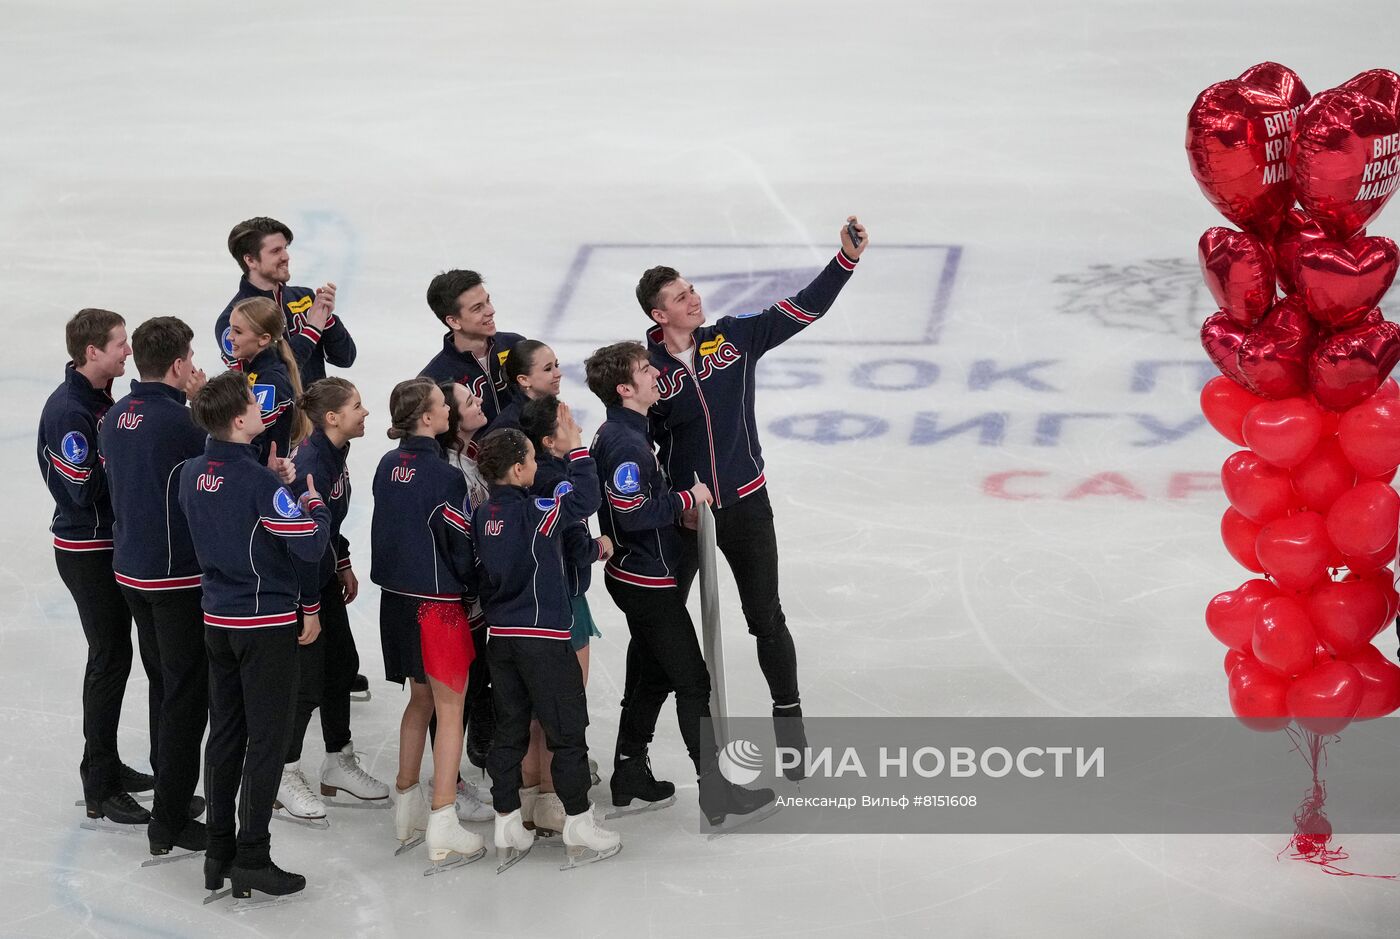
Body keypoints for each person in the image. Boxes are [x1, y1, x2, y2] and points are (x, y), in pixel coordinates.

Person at [638, 217, 868, 778]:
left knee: (766, 617)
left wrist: (845, 259)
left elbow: (802, 309)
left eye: (691, 290)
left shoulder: (733, 338)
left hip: (745, 504)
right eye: (679, 297)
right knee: (659, 629)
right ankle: (631, 752)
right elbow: (629, 440)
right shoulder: (643, 372)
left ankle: (790, 729)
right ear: (657, 315)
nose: (693, 299)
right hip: (684, 516)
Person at [584, 341, 774, 824]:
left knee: (655, 673)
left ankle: (629, 771)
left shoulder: (628, 431)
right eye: (646, 370)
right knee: (694, 681)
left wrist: (675, 512)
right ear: (625, 388)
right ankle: (716, 792)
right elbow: (630, 514)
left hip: (642, 575)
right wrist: (685, 501)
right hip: (644, 582)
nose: (655, 375)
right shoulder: (626, 441)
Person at [180, 371, 330, 902]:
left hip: (217, 619)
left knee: (224, 734)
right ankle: (252, 857)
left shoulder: (192, 473)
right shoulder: (259, 483)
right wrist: (307, 500)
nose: (260, 405)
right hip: (263, 624)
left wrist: (268, 481)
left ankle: (218, 852)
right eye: (252, 402)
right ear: (240, 419)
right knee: (266, 740)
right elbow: (310, 546)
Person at [466, 426, 621, 870]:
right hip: (545, 640)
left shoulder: (481, 514)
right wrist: (575, 449)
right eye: (532, 458)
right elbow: (586, 499)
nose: (536, 464)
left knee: (510, 731)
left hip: (503, 640)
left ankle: (507, 820)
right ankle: (577, 822)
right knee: (567, 733)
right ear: (518, 470)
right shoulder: (538, 511)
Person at [38, 308, 158, 827]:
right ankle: (100, 783)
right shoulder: (70, 412)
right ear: (92, 352)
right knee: (108, 658)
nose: (127, 351)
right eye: (119, 344)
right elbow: (81, 489)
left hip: (106, 544)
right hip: (87, 549)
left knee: (115, 655)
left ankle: (104, 763)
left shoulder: (98, 400)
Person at [99, 316, 210, 856]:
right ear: (178, 364)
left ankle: (169, 788)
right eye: (189, 358)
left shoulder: (116, 415)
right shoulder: (181, 425)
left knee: (164, 682)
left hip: (130, 571)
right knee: (187, 694)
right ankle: (169, 818)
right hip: (173, 577)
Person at [370, 379, 486, 869]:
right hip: (436, 607)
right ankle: (442, 819)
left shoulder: (385, 464)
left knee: (419, 701)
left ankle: (406, 806)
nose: (447, 412)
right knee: (450, 707)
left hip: (394, 603)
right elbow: (458, 542)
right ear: (425, 417)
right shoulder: (443, 475)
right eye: (442, 406)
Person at [275, 378, 389, 824]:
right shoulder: (312, 463)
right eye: (357, 406)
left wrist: (341, 561)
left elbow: (329, 528)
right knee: (307, 682)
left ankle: (337, 761)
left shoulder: (334, 453)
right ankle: (283, 774)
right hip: (303, 585)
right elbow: (301, 540)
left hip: (322, 577)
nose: (365, 413)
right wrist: (308, 606)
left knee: (341, 666)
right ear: (332, 417)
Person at [517, 393, 612, 832]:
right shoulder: (558, 477)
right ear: (549, 440)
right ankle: (554, 798)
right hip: (564, 604)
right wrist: (598, 548)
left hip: (530, 605)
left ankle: (531, 796)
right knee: (562, 707)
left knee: (537, 712)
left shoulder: (539, 471)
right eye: (567, 424)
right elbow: (574, 537)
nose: (575, 428)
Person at [431, 381, 494, 818]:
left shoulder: (470, 459)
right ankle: (446, 783)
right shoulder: (453, 471)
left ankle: (457, 769)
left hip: (475, 597)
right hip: (460, 597)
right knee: (453, 695)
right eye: (470, 402)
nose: (480, 402)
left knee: (471, 688)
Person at [216, 216, 356, 383]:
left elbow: (345, 358)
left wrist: (329, 320)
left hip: (317, 408)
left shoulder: (305, 298)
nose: (286, 257)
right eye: (276, 251)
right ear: (250, 260)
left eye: (285, 248)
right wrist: (311, 329)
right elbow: (263, 379)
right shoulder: (232, 321)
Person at [419, 269, 526, 428]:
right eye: (477, 308)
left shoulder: (516, 346)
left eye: (488, 301)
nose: (491, 311)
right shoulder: (434, 380)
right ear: (454, 321)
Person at [224, 296, 309, 465]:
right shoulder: (256, 368)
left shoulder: (269, 381)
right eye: (231, 329)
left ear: (263, 339)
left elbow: (250, 436)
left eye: (238, 332)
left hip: (260, 479)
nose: (229, 337)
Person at [491, 340, 563, 431]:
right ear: (524, 380)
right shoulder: (510, 425)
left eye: (556, 365)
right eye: (548, 369)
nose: (558, 374)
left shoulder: (552, 407)